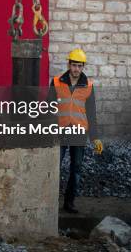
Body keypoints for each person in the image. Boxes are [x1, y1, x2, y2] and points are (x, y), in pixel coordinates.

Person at [48, 48, 103, 214]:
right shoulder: (57, 82)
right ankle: (50, 202)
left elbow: (91, 113)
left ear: (83, 66)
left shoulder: (88, 86)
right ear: (69, 64)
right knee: (54, 167)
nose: (76, 69)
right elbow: (48, 108)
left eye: (79, 66)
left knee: (76, 169)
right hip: (60, 132)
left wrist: (95, 138)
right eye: (73, 65)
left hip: (79, 133)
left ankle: (69, 203)